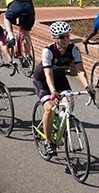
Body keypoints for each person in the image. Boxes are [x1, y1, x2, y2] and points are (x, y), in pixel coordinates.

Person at [31, 21, 91, 157]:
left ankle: (60, 124)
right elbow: (47, 73)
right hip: (43, 80)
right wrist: (53, 91)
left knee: (69, 102)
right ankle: (48, 142)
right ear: (55, 38)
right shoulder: (48, 51)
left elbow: (80, 70)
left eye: (68, 36)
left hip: (60, 79)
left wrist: (87, 87)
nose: (66, 39)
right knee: (49, 108)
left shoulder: (73, 49)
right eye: (62, 37)